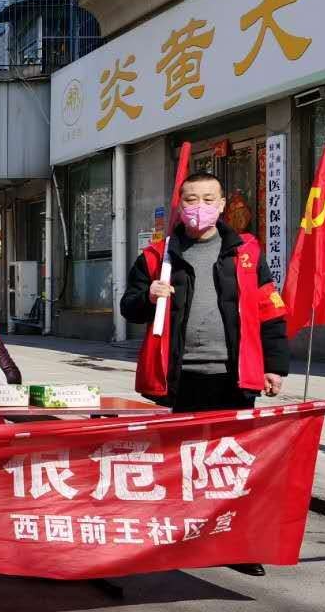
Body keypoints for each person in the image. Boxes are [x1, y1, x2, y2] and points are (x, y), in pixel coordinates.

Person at [121, 171, 289, 575]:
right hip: (182, 376)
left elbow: (270, 311)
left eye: (208, 198)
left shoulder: (246, 252)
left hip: (235, 375)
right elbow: (130, 308)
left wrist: (275, 365)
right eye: (192, 199)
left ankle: (237, 546)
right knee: (182, 462)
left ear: (222, 202)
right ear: (180, 204)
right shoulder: (157, 255)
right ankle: (181, 538)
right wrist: (148, 295)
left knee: (233, 464)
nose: (200, 207)